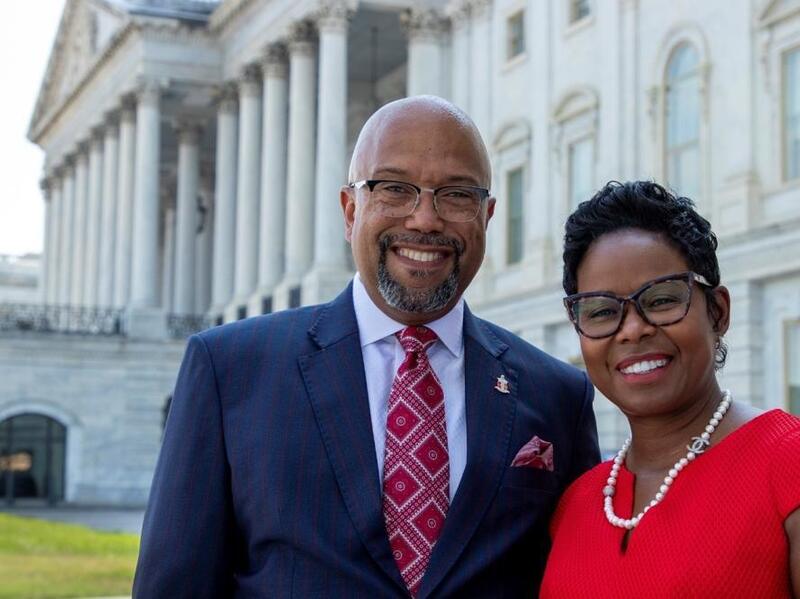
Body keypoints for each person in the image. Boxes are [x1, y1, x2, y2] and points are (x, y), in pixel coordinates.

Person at [132, 96, 600, 598]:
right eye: (394, 189)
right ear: (351, 210)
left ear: (486, 216)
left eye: (456, 195)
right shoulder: (230, 370)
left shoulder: (558, 395)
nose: (425, 219)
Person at [540, 180, 800, 597]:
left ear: (718, 312)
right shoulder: (576, 503)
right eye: (602, 311)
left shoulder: (787, 465)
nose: (633, 329)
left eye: (661, 300)